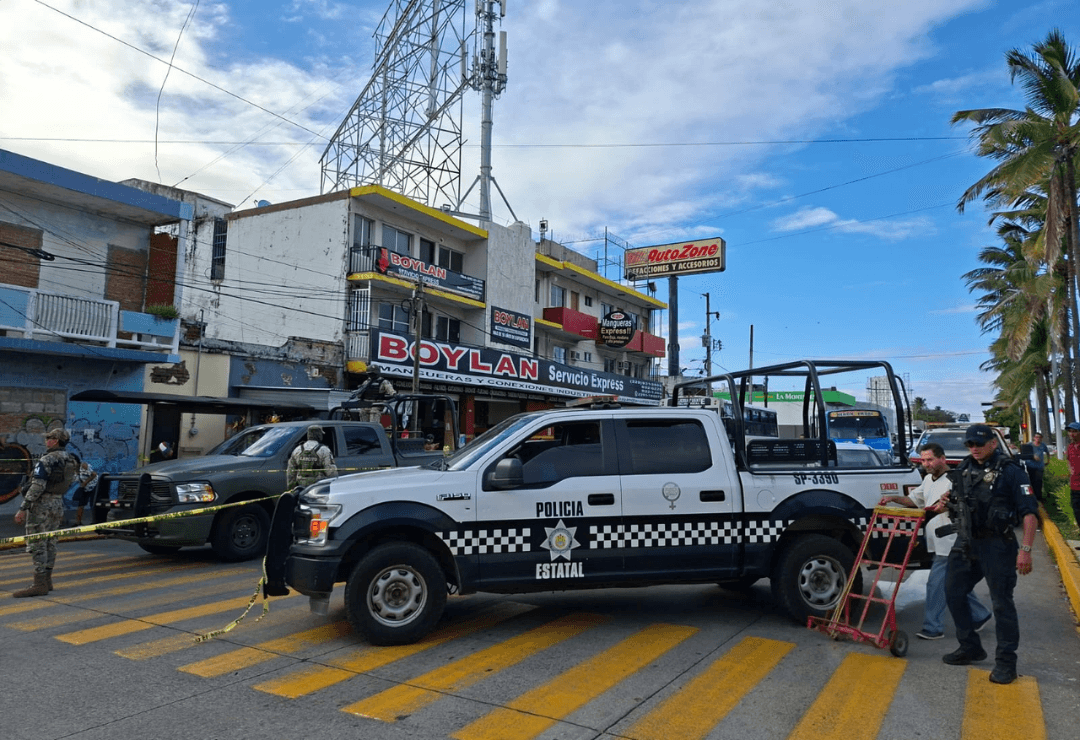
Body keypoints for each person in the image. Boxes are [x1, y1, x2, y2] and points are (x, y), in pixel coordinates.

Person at [941, 423, 1038, 685]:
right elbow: (955, 498)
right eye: (970, 445)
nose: (974, 448)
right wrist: (944, 503)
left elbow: (1030, 514)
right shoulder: (964, 467)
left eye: (979, 444)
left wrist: (1026, 551)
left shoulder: (1011, 471)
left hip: (998, 545)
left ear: (993, 444)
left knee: (1001, 603)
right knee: (952, 591)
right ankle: (971, 647)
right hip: (967, 542)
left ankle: (1006, 662)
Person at [879, 442, 991, 640]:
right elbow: (914, 501)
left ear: (942, 458)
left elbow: (959, 505)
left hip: (951, 541)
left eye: (930, 459)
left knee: (935, 583)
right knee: (954, 582)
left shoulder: (954, 480)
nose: (926, 464)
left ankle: (933, 627)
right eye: (923, 460)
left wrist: (946, 505)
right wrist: (893, 498)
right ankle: (979, 615)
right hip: (937, 541)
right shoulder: (929, 480)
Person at [12, 428, 79, 597]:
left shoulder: (47, 459)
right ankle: (47, 581)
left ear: (55, 440)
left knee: (37, 542)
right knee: (50, 542)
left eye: (49, 437)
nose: (46, 440)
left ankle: (39, 584)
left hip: (42, 505)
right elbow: (74, 480)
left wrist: (23, 507)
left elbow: (38, 486)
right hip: (58, 503)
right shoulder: (70, 459)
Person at [286, 425, 338, 489]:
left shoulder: (297, 450)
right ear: (318, 435)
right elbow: (331, 472)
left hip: (301, 488)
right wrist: (334, 486)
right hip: (318, 488)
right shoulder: (324, 450)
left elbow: (291, 472)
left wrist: (291, 489)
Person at [71, 459, 98, 526]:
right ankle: (78, 522)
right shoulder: (74, 470)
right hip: (84, 488)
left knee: (93, 504)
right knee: (81, 504)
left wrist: (85, 482)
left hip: (93, 486)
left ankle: (95, 521)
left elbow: (94, 474)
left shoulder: (83, 465)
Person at [1025, 432, 1049, 502]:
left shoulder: (1043, 445)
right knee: (1032, 481)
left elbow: (1047, 452)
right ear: (1034, 438)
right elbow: (1025, 453)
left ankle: (1039, 497)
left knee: (1039, 481)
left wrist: (1048, 460)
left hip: (1039, 466)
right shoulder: (1029, 445)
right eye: (1036, 437)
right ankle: (1032, 497)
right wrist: (1033, 456)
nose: (1038, 439)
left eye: (1040, 437)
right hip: (1030, 466)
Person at [1067, 421, 1080, 525]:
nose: (1071, 434)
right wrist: (1070, 468)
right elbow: (1068, 460)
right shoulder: (1070, 447)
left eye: (1074, 431)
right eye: (1070, 431)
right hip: (1074, 487)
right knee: (1077, 512)